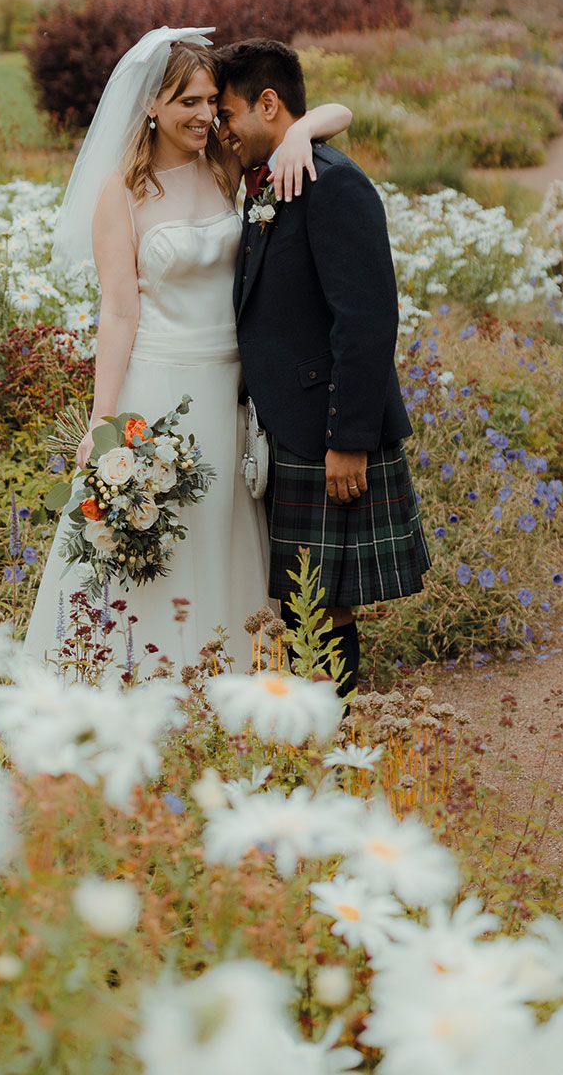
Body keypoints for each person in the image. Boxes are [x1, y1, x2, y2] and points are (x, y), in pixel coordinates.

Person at [25, 26, 352, 674]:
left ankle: (229, 671)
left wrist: (295, 134)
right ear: (151, 106)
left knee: (224, 530)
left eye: (210, 101)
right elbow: (118, 312)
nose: (205, 116)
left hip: (230, 388)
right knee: (157, 538)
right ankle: (141, 671)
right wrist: (101, 422)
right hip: (158, 388)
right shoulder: (121, 192)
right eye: (187, 103)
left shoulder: (223, 166)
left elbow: (340, 114)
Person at [215, 37, 431, 698]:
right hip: (288, 425)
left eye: (228, 113)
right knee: (302, 597)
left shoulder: (333, 183)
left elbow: (366, 324)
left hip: (325, 429)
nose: (222, 129)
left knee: (326, 600)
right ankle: (315, 722)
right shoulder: (272, 176)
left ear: (269, 104)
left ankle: (332, 725)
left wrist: (349, 441)